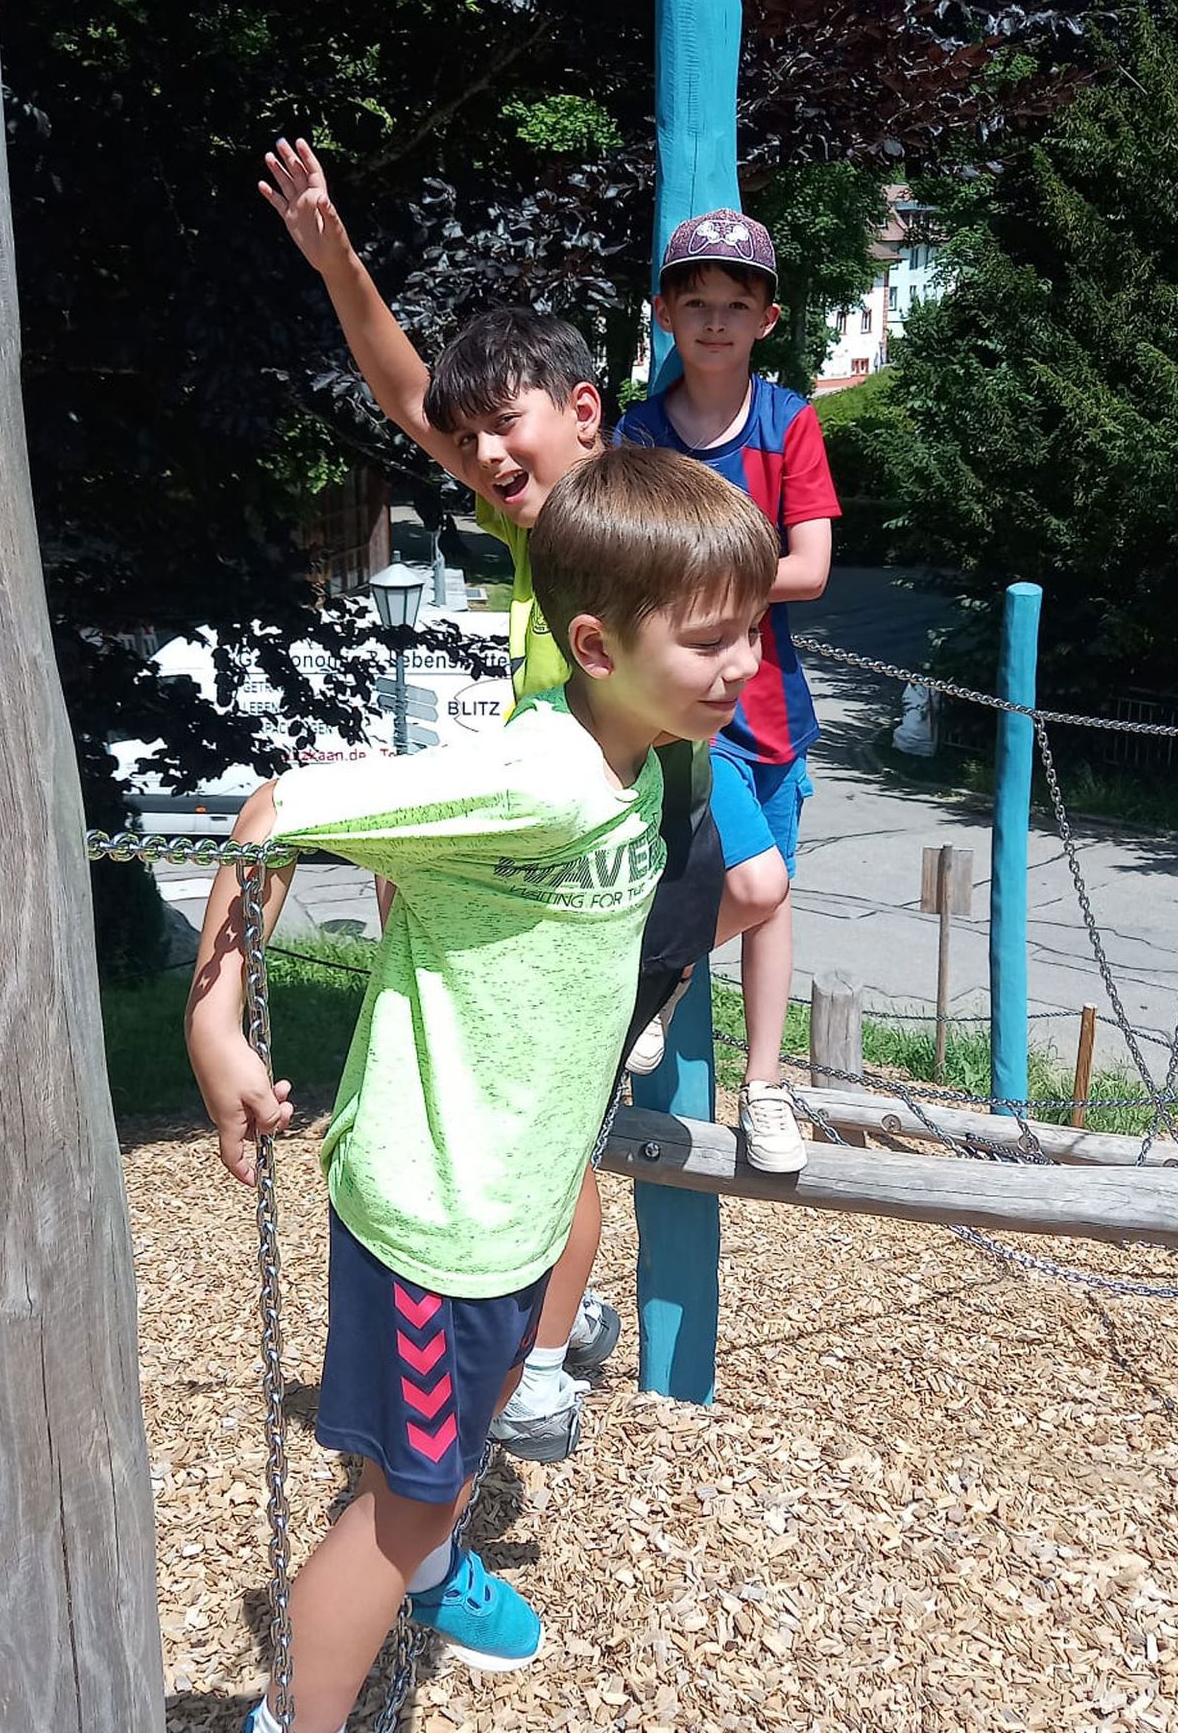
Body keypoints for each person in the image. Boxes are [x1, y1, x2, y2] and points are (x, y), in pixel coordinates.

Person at [188, 446, 776, 1733]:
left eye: (751, 630)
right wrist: (214, 1024)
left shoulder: (649, 757)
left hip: (510, 1201)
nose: (742, 665)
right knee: (403, 1505)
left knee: (449, 1444)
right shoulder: (532, 781)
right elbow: (278, 810)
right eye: (709, 640)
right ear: (596, 645)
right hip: (441, 1218)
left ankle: (429, 1561)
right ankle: (295, 1713)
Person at [259, 138, 727, 1462]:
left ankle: (533, 1371)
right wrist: (336, 259)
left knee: (556, 1135)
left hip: (623, 848)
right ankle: (538, 1333)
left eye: (503, 427)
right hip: (563, 832)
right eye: (466, 444)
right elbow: (410, 395)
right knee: (532, 1121)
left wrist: (697, 893)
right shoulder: (546, 525)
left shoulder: (628, 524)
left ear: (583, 410)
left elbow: (711, 695)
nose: (476, 453)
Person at [612, 209, 840, 1176]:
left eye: (735, 305)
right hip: (682, 710)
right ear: (664, 312)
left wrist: (697, 583)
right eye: (696, 301)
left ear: (767, 319)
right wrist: (726, 583)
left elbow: (812, 568)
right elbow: (628, 560)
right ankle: (649, 981)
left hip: (772, 705)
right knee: (750, 882)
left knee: (772, 898)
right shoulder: (637, 433)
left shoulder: (790, 424)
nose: (714, 321)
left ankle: (766, 1084)